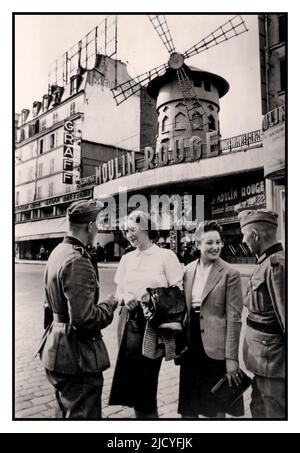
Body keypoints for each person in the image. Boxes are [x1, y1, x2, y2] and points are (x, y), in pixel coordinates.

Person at [36, 199, 118, 419]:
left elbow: (49, 306)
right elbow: (84, 320)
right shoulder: (77, 259)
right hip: (77, 357)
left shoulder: (58, 251)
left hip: (58, 349)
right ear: (90, 226)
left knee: (65, 413)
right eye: (97, 224)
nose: (98, 229)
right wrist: (109, 305)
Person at [109, 210, 183, 418]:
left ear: (146, 228)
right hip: (129, 323)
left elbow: (178, 291)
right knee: (131, 380)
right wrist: (125, 297)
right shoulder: (126, 259)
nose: (128, 234)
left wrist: (152, 299)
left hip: (154, 326)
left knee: (147, 381)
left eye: (132, 229)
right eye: (125, 231)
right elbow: (119, 292)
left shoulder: (166, 256)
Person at [178, 220, 244, 418]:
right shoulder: (188, 270)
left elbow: (234, 318)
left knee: (215, 409)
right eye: (209, 243)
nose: (216, 247)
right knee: (189, 408)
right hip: (191, 346)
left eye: (218, 242)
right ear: (198, 243)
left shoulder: (230, 273)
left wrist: (231, 359)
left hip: (215, 348)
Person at [238, 208, 285, 418]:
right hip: (261, 359)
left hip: (273, 360)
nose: (243, 240)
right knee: (259, 409)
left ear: (255, 235)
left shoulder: (277, 266)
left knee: (274, 412)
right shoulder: (265, 262)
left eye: (245, 235)